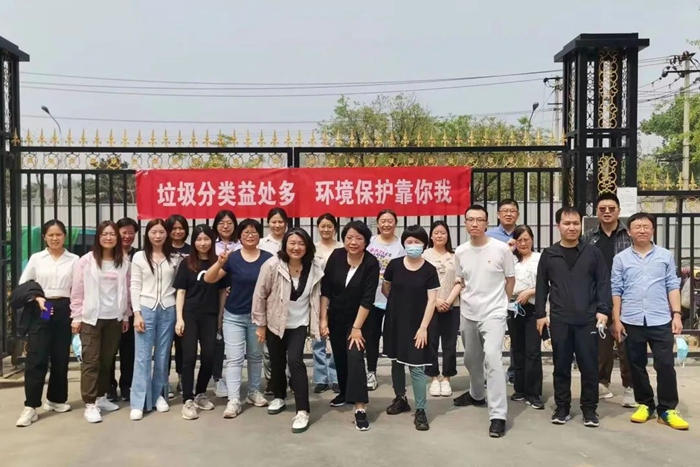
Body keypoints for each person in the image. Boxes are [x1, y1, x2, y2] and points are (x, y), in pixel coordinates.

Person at [610, 212, 689, 430]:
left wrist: (676, 314)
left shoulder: (665, 256)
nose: (642, 230)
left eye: (646, 226)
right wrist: (616, 320)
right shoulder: (621, 259)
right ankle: (645, 404)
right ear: (629, 232)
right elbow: (616, 290)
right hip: (631, 319)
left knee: (665, 364)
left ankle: (667, 409)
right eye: (637, 227)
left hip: (660, 318)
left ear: (653, 230)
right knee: (636, 365)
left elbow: (672, 285)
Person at [535, 207, 611, 428]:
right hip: (560, 319)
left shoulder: (592, 252)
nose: (572, 227)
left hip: (588, 319)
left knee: (589, 367)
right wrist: (540, 314)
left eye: (576, 223)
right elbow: (541, 286)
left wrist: (603, 310)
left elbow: (603, 283)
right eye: (567, 223)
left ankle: (590, 409)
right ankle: (562, 407)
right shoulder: (549, 254)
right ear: (558, 226)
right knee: (561, 366)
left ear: (581, 225)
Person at [253, 228, 325, 433]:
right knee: (276, 361)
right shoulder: (272, 265)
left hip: (299, 323)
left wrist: (321, 320)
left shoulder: (315, 266)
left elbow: (320, 294)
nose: (296, 247)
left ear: (307, 246)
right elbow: (260, 295)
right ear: (285, 245)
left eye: (301, 243)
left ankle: (303, 410)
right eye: (292, 243)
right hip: (275, 322)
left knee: (295, 361)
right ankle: (279, 396)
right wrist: (260, 324)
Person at [452, 205, 515, 438]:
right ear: (465, 223)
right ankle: (477, 394)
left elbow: (510, 279)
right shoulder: (460, 251)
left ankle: (498, 415)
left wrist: (503, 303)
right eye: (470, 220)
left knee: (493, 358)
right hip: (469, 312)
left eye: (479, 220)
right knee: (471, 358)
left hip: (494, 313)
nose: (475, 224)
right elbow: (461, 279)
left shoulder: (501, 249)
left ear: (487, 223)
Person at [204, 219, 271, 418]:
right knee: (234, 359)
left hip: (258, 317)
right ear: (239, 236)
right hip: (233, 315)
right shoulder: (232, 258)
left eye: (254, 232)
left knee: (255, 356)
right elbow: (209, 279)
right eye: (246, 232)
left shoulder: (268, 259)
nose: (250, 235)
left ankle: (253, 392)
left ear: (259, 235)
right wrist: (220, 262)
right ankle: (233, 400)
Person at [16, 220, 78, 428]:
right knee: (37, 356)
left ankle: (56, 399)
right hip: (44, 307)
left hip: (65, 307)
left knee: (61, 356)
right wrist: (38, 297)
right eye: (50, 235)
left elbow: (79, 287)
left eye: (58, 234)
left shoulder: (74, 259)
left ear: (65, 236)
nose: (55, 238)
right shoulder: (37, 258)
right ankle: (31, 406)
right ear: (44, 237)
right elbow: (24, 284)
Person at [320, 221, 380, 431]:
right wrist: (323, 319)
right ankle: (345, 392)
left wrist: (356, 328)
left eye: (358, 238)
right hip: (336, 316)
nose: (353, 242)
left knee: (355, 357)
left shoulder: (371, 263)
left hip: (360, 320)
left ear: (366, 241)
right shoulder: (336, 256)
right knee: (340, 355)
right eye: (349, 238)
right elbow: (326, 289)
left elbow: (368, 298)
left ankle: (360, 407)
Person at [71, 220, 131, 423]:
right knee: (91, 360)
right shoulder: (86, 261)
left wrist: (125, 315)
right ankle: (90, 403)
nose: (108, 237)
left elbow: (127, 291)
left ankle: (101, 396)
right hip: (91, 318)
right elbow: (77, 290)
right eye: (104, 234)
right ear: (98, 237)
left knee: (107, 360)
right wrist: (77, 317)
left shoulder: (123, 262)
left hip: (114, 318)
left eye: (112, 234)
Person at [382, 225, 439, 431]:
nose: (413, 245)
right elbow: (386, 288)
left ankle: (421, 409)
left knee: (416, 367)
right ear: (403, 243)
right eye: (409, 241)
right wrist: (397, 305)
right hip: (395, 322)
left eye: (417, 242)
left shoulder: (429, 270)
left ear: (424, 244)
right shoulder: (394, 265)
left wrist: (423, 328)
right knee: (396, 362)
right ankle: (400, 398)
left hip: (418, 324)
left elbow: (432, 301)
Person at [582, 193, 634, 407]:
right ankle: (602, 383)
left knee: (626, 344)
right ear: (596, 211)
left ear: (618, 211)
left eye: (611, 208)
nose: (607, 212)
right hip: (598, 298)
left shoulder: (629, 235)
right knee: (601, 344)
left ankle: (630, 387)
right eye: (602, 208)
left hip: (626, 297)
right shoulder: (588, 237)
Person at [129, 219, 182, 421]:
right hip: (146, 308)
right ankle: (139, 401)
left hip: (168, 309)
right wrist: (137, 313)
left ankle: (159, 394)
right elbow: (135, 285)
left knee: (162, 355)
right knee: (142, 356)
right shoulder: (139, 257)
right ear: (147, 234)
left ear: (167, 234)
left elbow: (178, 287)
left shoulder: (174, 258)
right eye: (154, 232)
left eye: (161, 232)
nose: (158, 236)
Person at [174, 225, 226, 420]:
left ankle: (200, 394)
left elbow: (222, 292)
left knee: (209, 356)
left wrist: (219, 317)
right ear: (194, 242)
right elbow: (181, 292)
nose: (203, 243)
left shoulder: (218, 262)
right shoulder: (186, 263)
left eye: (206, 239)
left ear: (212, 241)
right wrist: (179, 318)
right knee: (188, 357)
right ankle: (187, 399)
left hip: (210, 315)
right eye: (199, 239)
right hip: (190, 314)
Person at [365, 209, 405, 391]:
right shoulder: (370, 242)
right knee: (371, 336)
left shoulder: (401, 246)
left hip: (393, 299)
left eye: (390, 221)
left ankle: (397, 373)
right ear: (378, 223)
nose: (386, 224)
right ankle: (371, 371)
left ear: (395, 223)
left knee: (394, 336)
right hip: (372, 298)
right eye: (383, 221)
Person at [423, 220, 461, 398]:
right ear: (431, 236)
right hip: (430, 305)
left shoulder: (455, 256)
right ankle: (433, 377)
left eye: (443, 232)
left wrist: (449, 300)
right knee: (430, 342)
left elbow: (460, 280)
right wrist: (436, 300)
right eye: (436, 232)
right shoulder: (425, 255)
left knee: (449, 344)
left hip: (452, 305)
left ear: (448, 235)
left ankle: (447, 378)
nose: (439, 235)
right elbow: (421, 282)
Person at [508, 225, 544, 410]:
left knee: (532, 351)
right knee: (517, 349)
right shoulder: (510, 260)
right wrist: (508, 250)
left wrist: (530, 292)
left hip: (533, 309)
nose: (523, 243)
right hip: (513, 308)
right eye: (519, 240)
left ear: (532, 240)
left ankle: (534, 392)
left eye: (526, 239)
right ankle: (520, 389)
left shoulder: (540, 259)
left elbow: (547, 283)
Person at [486, 198, 520, 385]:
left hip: (517, 293)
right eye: (505, 211)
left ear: (518, 215)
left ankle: (514, 372)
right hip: (493, 293)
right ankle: (490, 373)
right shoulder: (489, 236)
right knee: (492, 337)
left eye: (512, 211)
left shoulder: (522, 233)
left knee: (516, 335)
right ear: (498, 214)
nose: (508, 214)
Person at [108, 217, 139, 402]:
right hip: (110, 309)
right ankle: (109, 386)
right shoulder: (108, 254)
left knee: (129, 351)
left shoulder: (139, 255)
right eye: (124, 232)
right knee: (109, 351)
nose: (127, 236)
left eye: (131, 232)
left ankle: (127, 385)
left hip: (133, 309)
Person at [258, 207, 289, 394]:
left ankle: (291, 379)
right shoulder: (262, 244)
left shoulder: (293, 240)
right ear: (268, 223)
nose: (277, 225)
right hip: (269, 300)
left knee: (290, 346)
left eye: (280, 222)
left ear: (286, 223)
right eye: (273, 221)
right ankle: (272, 380)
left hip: (291, 299)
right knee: (269, 348)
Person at [211, 209, 241, 398]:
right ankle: (216, 377)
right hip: (212, 294)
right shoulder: (210, 244)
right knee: (215, 337)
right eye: (221, 223)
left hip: (236, 296)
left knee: (229, 339)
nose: (225, 226)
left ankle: (230, 378)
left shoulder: (241, 245)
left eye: (229, 222)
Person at [313, 213, 342, 393]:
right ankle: (321, 378)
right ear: (318, 228)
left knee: (336, 339)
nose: (326, 229)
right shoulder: (312, 248)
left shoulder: (342, 248)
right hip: (317, 295)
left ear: (335, 229)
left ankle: (336, 377)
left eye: (329, 226)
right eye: (322, 226)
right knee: (318, 338)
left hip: (338, 296)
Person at [166, 214, 190, 398]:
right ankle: (164, 381)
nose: (177, 231)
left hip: (186, 303)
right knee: (165, 345)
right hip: (165, 302)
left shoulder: (191, 250)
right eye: (174, 228)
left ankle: (183, 379)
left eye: (181, 228)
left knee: (183, 345)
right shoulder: (162, 249)